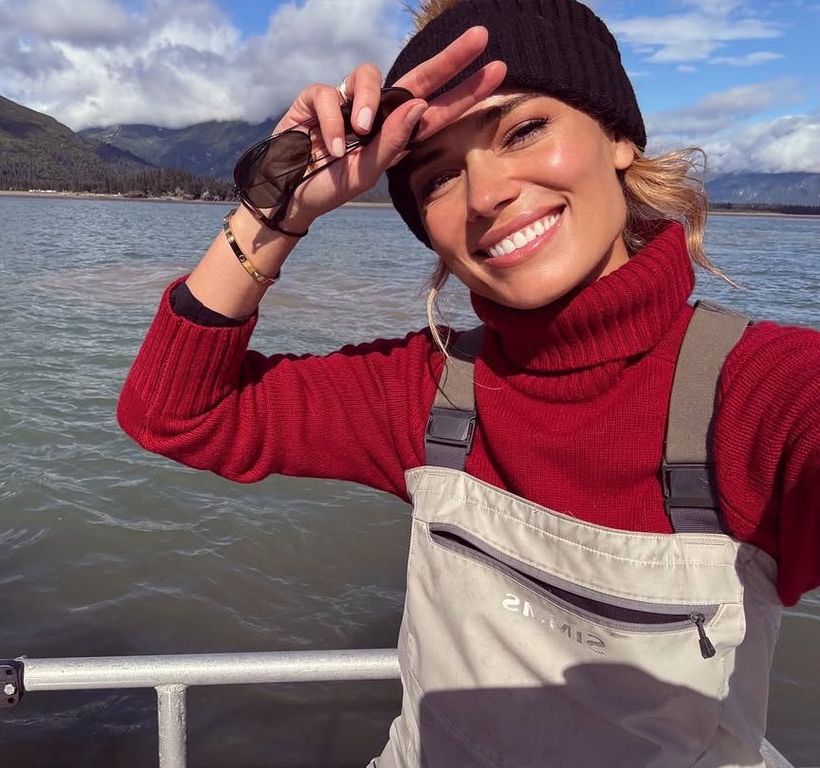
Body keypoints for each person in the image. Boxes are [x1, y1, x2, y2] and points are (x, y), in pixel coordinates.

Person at [117, 0, 820, 765]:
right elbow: (176, 414)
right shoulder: (428, 389)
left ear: (618, 136)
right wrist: (273, 209)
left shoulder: (765, 395)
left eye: (522, 131)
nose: (485, 195)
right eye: (439, 176)